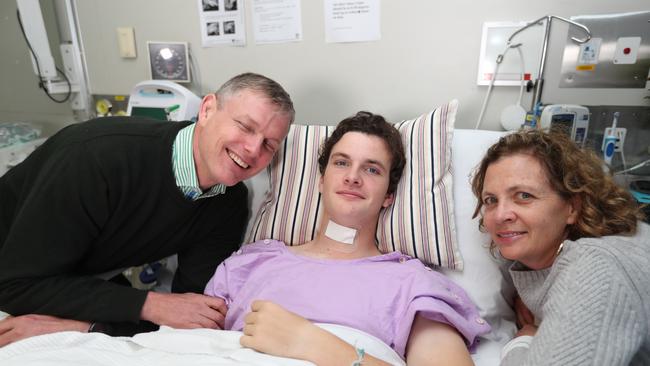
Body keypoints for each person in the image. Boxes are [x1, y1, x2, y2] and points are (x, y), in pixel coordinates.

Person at [0, 72, 294, 346]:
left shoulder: (227, 203)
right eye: (245, 126)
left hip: (73, 277)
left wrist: (85, 326)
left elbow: (191, 313)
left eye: (269, 144)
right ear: (207, 110)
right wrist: (148, 304)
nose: (254, 150)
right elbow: (15, 284)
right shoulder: (98, 157)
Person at [204, 112, 490, 365]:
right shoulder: (249, 264)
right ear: (321, 180)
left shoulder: (412, 286)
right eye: (341, 163)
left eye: (371, 169)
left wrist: (310, 342)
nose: (353, 177)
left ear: (388, 196)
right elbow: (186, 345)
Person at [470, 129, 649, 365]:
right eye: (491, 200)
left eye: (524, 195)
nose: (500, 215)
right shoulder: (553, 253)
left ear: (572, 207)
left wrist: (521, 341)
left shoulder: (595, 267)